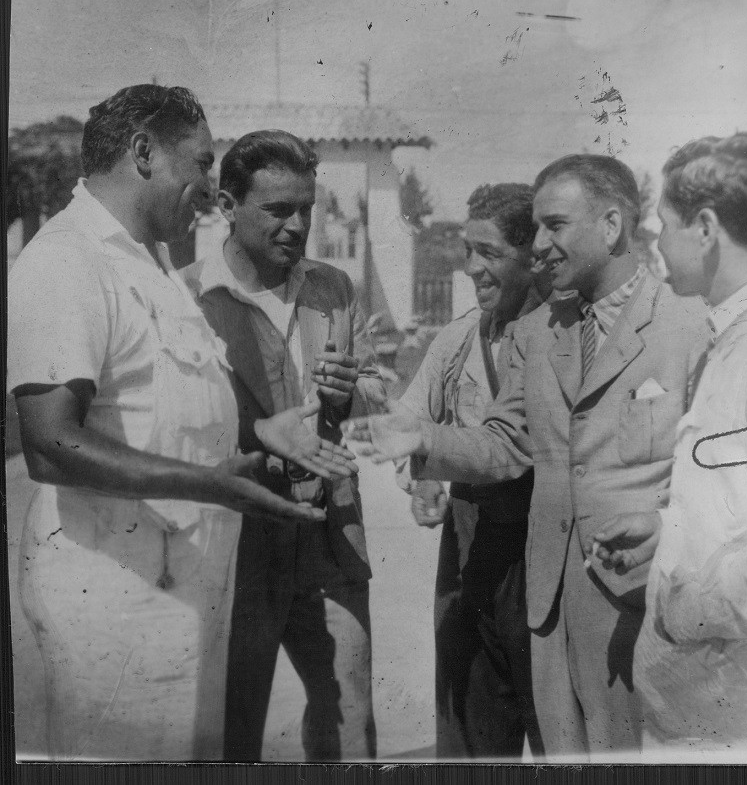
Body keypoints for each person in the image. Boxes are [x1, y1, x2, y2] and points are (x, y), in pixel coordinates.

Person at [7, 85, 358, 761]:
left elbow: (165, 405)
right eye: (199, 164)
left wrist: (261, 431)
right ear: (143, 152)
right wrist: (208, 483)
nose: (207, 187)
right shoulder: (67, 259)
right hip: (114, 598)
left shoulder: (150, 260)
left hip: (176, 593)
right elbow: (50, 442)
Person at [343, 154, 711, 760]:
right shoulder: (541, 333)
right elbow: (506, 441)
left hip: (641, 617)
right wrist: (422, 439)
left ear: (612, 226)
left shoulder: (691, 328)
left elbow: (717, 482)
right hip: (547, 613)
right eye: (535, 229)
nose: (539, 245)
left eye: (554, 226)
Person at [592, 133, 747, 762]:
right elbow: (746, 507)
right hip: (710, 713)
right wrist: (668, 532)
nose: (654, 242)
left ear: (704, 228)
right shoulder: (742, 331)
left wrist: (681, 607)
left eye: (663, 224)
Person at [182, 129, 385, 762]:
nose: (297, 226)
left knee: (350, 718)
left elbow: (376, 392)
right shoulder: (185, 297)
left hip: (330, 532)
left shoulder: (334, 288)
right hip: (237, 540)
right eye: (277, 209)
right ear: (226, 204)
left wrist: (351, 394)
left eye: (306, 208)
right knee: (233, 725)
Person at [395, 183, 549, 759]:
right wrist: (423, 479)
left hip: (543, 548)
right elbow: (413, 420)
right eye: (468, 251)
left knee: (558, 732)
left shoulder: (564, 335)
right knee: (470, 735)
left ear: (532, 256)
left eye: (490, 253)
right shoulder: (459, 338)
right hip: (469, 550)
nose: (472, 268)